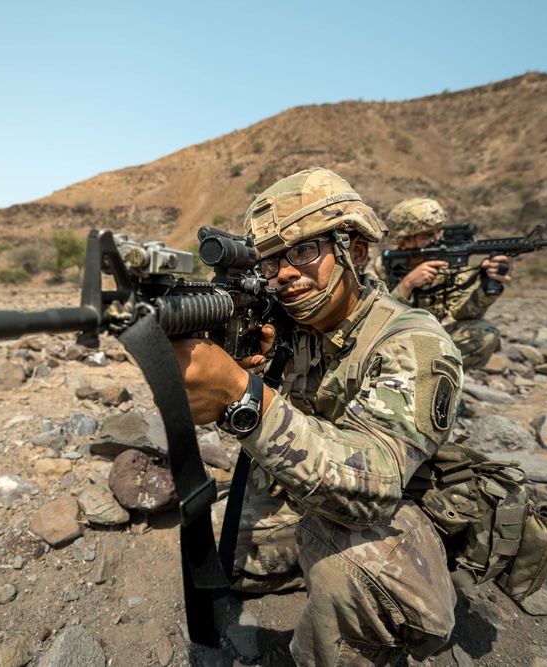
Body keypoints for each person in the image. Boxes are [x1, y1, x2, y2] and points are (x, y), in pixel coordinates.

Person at [171, 168, 464, 666]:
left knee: (351, 570)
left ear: (357, 250)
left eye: (305, 251)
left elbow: (371, 489)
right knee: (218, 557)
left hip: (387, 508)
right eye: (269, 262)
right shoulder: (290, 318)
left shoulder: (412, 341)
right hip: (308, 495)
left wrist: (243, 399)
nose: (283, 272)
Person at [365, 198, 512, 371]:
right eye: (428, 235)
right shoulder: (381, 268)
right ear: (405, 242)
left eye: (438, 232)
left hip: (428, 342)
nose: (437, 239)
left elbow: (463, 313)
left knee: (485, 334)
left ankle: (438, 384)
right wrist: (406, 285)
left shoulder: (447, 263)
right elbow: (368, 320)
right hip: (389, 343)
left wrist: (487, 287)